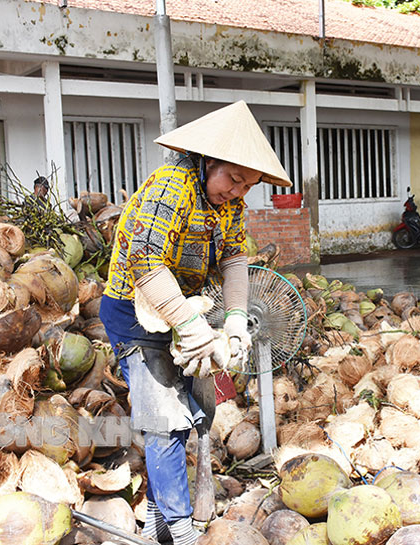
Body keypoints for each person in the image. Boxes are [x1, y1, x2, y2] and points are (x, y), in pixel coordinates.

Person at [98, 101, 292, 544]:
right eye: (233, 179)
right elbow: (145, 260)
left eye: (249, 185)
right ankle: (182, 534)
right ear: (208, 161)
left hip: (184, 309)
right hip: (135, 309)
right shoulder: (173, 184)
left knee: (194, 413)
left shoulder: (229, 206)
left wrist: (238, 318)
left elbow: (236, 257)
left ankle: (157, 521)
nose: (238, 191)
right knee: (163, 419)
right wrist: (189, 325)